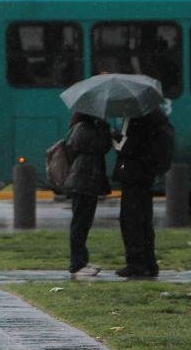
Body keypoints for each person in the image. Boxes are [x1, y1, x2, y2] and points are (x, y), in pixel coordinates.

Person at [112, 108, 171, 278]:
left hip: (133, 175)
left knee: (131, 220)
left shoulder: (137, 120)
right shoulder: (154, 119)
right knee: (144, 220)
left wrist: (115, 138)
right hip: (145, 175)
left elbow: (127, 148)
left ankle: (135, 263)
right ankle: (149, 262)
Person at [62, 112, 113, 277]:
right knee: (80, 224)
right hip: (84, 182)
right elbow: (101, 146)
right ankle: (77, 264)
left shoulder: (83, 128)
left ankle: (81, 261)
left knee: (83, 223)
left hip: (86, 182)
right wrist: (105, 129)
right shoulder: (83, 128)